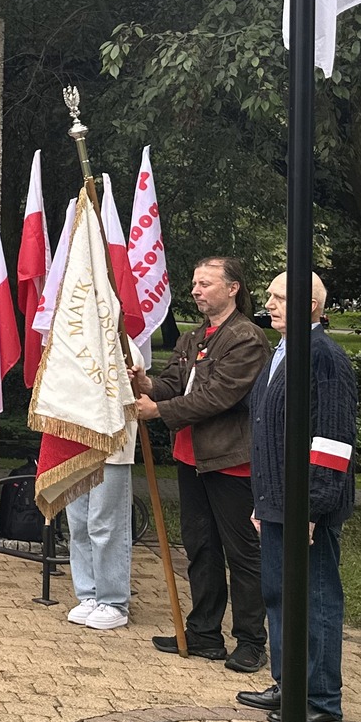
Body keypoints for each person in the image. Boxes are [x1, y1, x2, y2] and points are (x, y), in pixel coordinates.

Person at [132, 257, 272, 671]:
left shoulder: (247, 338)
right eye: (195, 283)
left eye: (206, 283)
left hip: (230, 461)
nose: (196, 290)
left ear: (233, 288)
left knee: (242, 554)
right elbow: (174, 383)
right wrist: (146, 383)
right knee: (200, 547)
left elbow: (218, 396)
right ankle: (204, 633)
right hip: (190, 458)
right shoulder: (193, 336)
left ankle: (251, 641)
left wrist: (158, 410)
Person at [237, 271, 358, 722]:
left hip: (308, 507)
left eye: (279, 297)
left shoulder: (323, 357)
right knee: (279, 593)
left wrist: (311, 508)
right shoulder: (283, 352)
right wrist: (263, 499)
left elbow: (332, 440)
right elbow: (267, 429)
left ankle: (321, 699)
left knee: (315, 597)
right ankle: (289, 684)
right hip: (276, 501)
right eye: (269, 295)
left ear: (309, 305)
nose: (268, 303)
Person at [63, 449, 134, 632]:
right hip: (73, 441)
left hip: (111, 441)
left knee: (105, 523)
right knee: (78, 523)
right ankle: (89, 594)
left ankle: (114, 601)